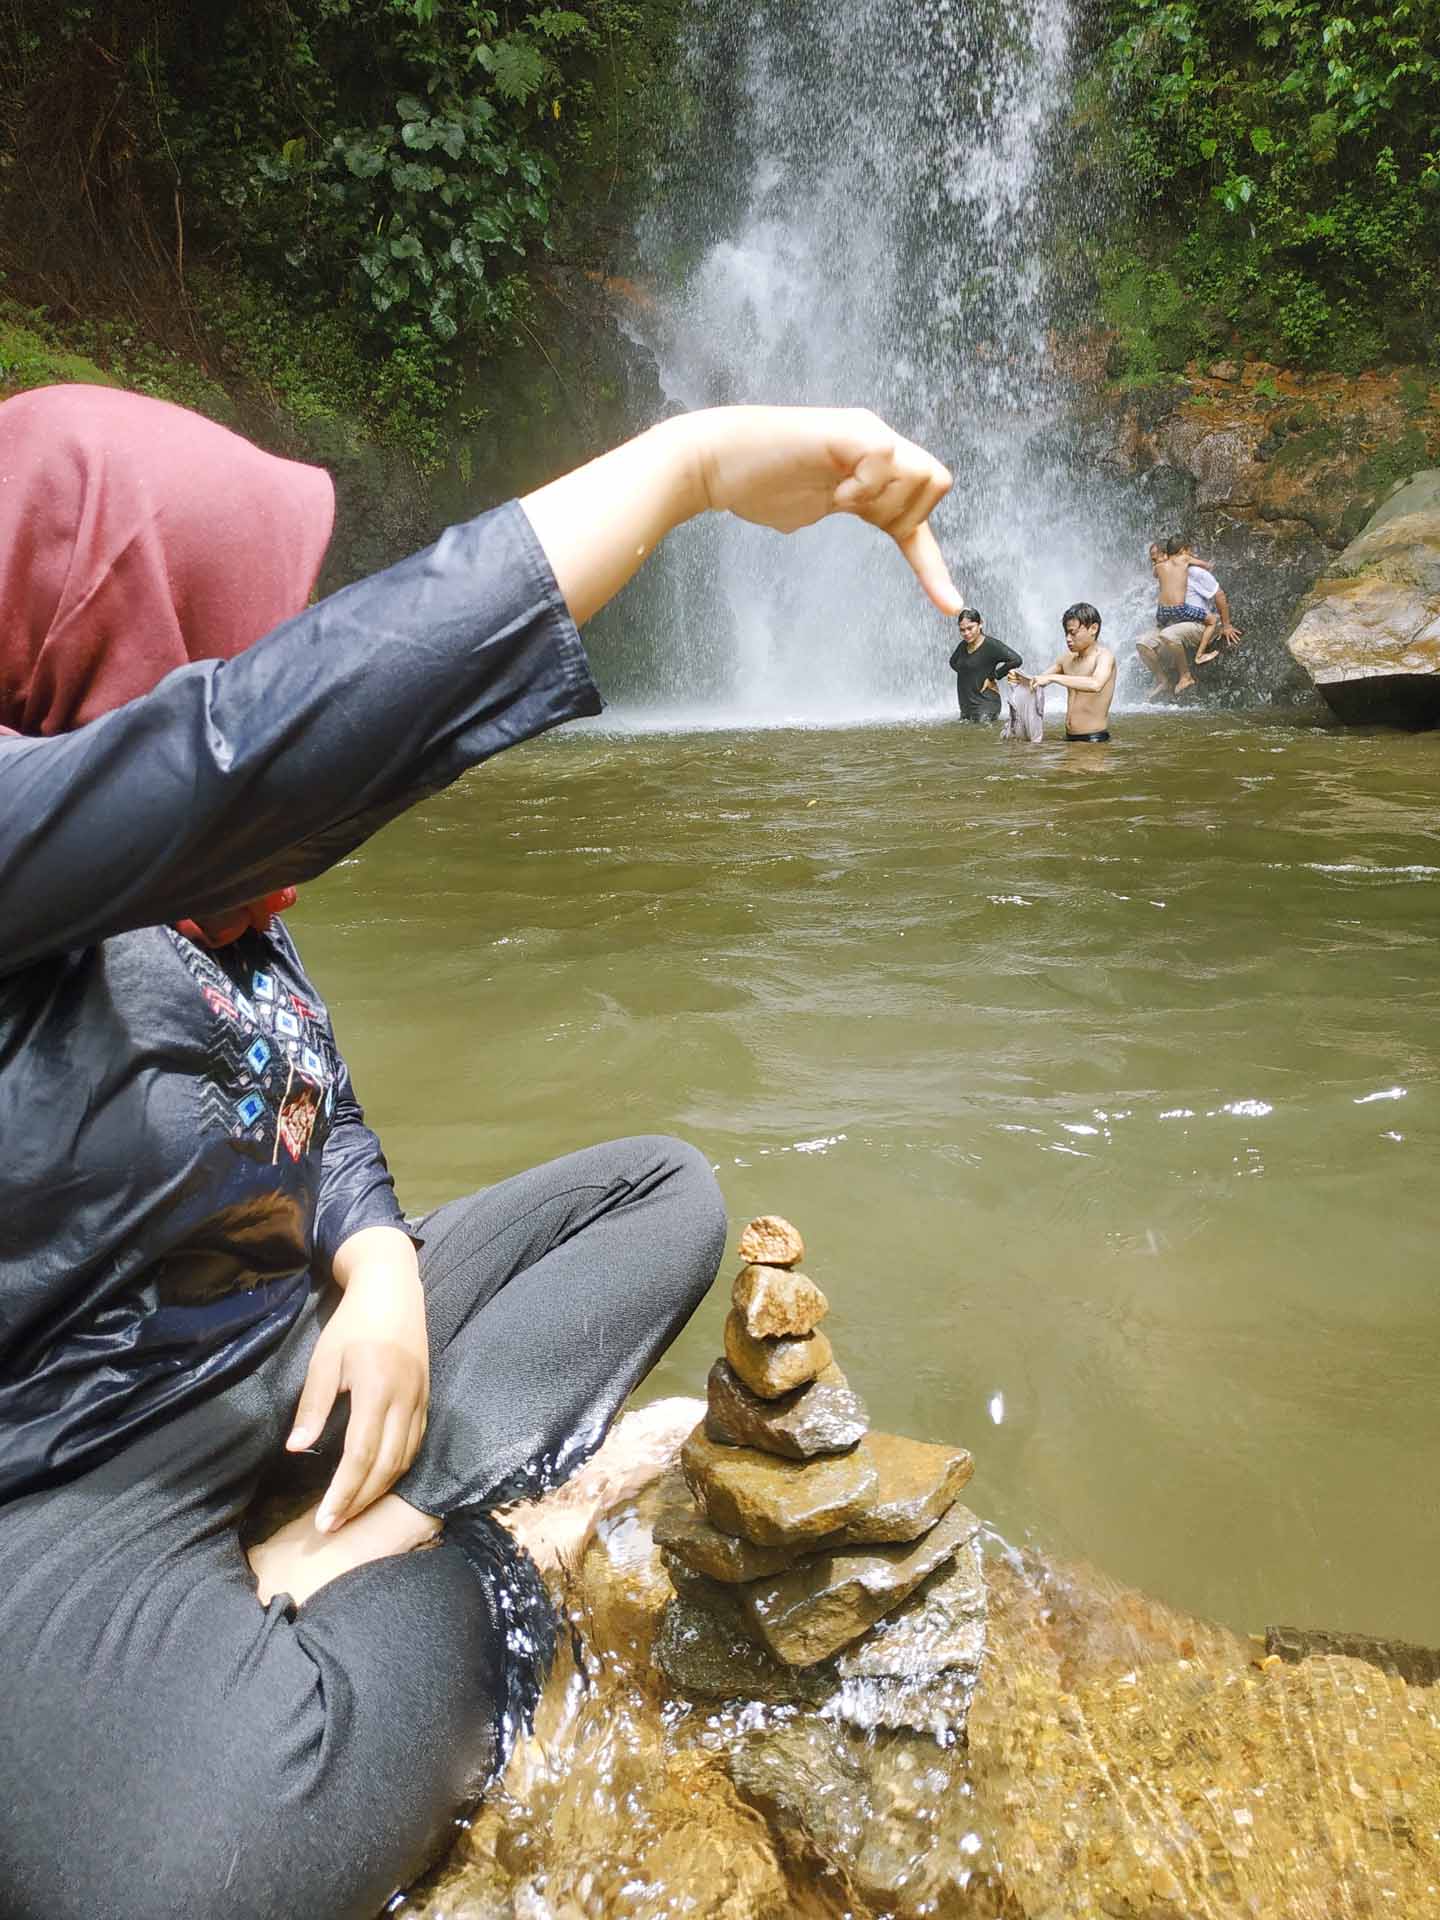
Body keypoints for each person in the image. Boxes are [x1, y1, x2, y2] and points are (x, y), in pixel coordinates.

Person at [0, 386, 959, 1920]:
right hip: (64, 1469)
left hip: (289, 1357)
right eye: (223, 625)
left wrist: (378, 1269)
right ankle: (436, 1556)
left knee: (660, 1195)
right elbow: (251, 746)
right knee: (188, 1881)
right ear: (100, 613)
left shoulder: (221, 909)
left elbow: (309, 1100)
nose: (250, 649)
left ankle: (364, 1526)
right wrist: (687, 468)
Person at [1030, 602, 1117, 741]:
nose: (1068, 639)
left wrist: (1054, 678)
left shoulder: (1104, 656)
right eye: (1066, 633)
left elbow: (1096, 684)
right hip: (1069, 738)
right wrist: (1019, 679)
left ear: (1093, 628)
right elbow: (1039, 680)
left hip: (1094, 740)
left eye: (1073, 633)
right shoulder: (1066, 659)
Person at [947, 605, 1023, 722]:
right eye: (962, 630)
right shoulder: (963, 646)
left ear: (980, 624)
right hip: (967, 706)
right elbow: (952, 662)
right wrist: (970, 676)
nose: (966, 633)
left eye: (970, 628)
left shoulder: (991, 645)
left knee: (980, 733)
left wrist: (994, 676)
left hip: (986, 704)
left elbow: (1016, 660)